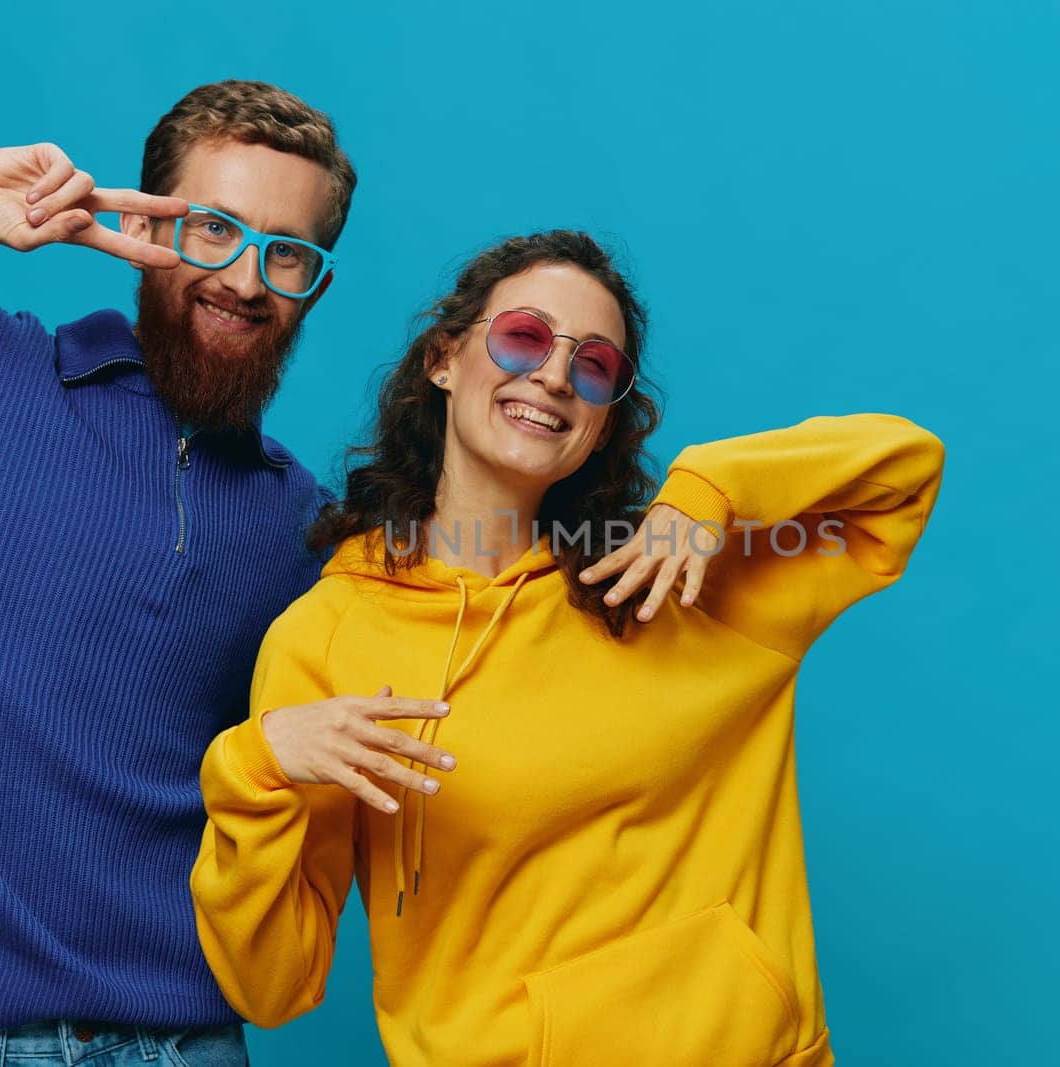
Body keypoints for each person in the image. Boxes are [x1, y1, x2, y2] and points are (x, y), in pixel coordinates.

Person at [190, 230, 947, 1066]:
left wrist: (714, 488)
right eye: (524, 336)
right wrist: (254, 768)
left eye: (595, 366)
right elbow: (271, 987)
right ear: (445, 359)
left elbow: (906, 471)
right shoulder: (327, 636)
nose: (554, 374)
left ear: (603, 419)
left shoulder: (675, 583)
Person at [0, 80, 450, 1065]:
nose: (244, 278)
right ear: (143, 224)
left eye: (286, 251)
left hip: (185, 1043)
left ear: (315, 284)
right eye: (212, 229)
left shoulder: (300, 528)